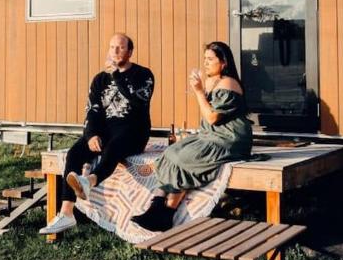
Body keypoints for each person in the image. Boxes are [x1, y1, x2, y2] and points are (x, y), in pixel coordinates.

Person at [131, 41, 252, 232]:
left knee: (184, 158)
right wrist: (201, 91)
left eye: (210, 59)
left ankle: (166, 213)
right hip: (210, 135)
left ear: (224, 63)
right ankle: (156, 208)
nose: (206, 63)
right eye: (204, 59)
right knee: (171, 152)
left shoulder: (229, 83)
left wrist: (198, 92)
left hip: (228, 139)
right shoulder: (213, 81)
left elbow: (212, 117)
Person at [40, 33, 154, 234]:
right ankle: (67, 213)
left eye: (120, 47)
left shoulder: (143, 75)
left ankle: (89, 181)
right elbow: (92, 110)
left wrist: (117, 76)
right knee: (74, 153)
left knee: (113, 147)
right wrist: (91, 134)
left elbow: (139, 103)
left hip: (134, 132)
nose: (115, 51)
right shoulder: (100, 79)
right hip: (105, 131)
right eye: (112, 47)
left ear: (130, 51)